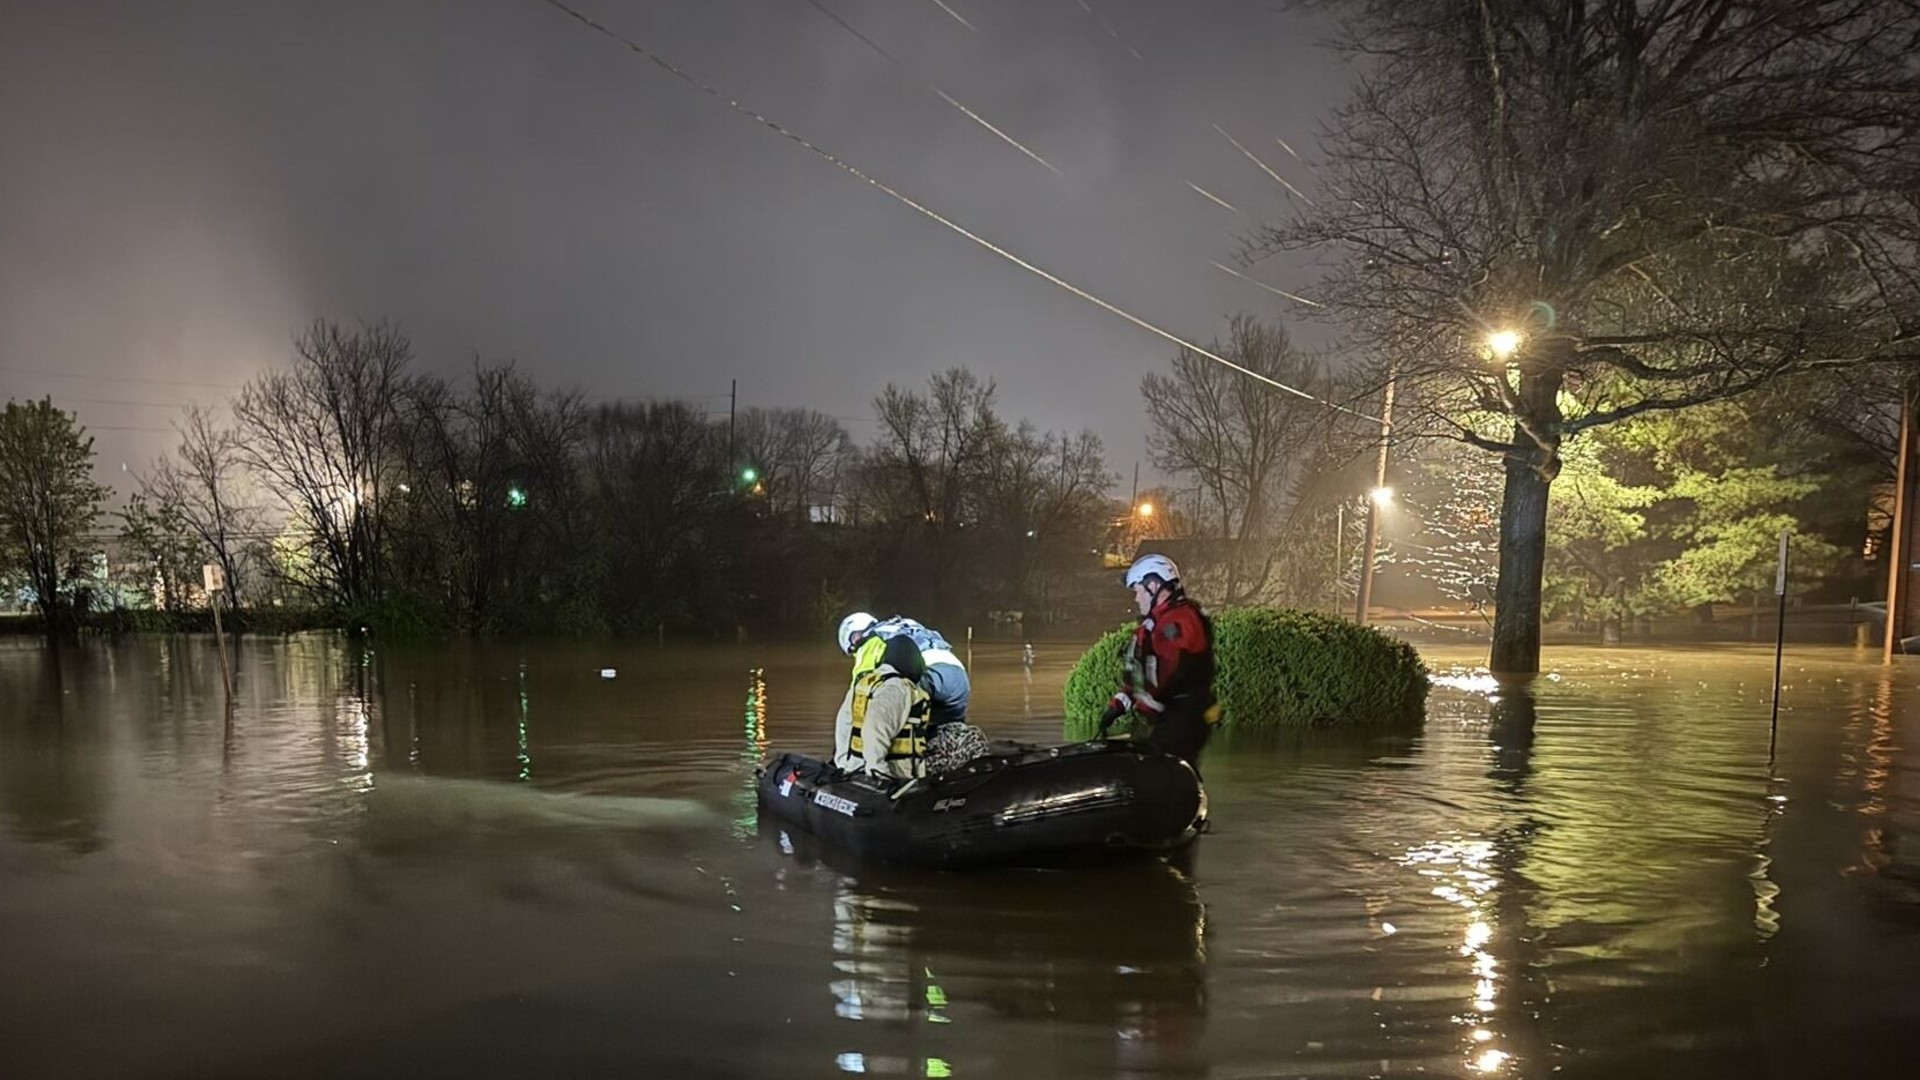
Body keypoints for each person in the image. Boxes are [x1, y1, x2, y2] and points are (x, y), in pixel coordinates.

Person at [1099, 554, 1218, 772]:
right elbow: (1141, 674)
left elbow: (1167, 674)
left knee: (1162, 774)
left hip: (1184, 719)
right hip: (1170, 719)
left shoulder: (1179, 621)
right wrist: (1118, 705)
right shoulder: (1159, 623)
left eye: (1138, 591)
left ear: (1153, 585)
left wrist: (1147, 702)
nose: (1136, 599)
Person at [836, 611, 971, 726]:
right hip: (959, 678)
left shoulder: (871, 640)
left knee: (884, 714)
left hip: (927, 676)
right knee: (946, 728)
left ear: (855, 637)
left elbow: (860, 689)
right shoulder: (902, 624)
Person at [833, 633, 932, 780]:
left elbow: (844, 725)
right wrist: (880, 774)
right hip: (891, 775)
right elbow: (874, 730)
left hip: (853, 768)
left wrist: (842, 764)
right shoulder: (898, 688)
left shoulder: (864, 682)